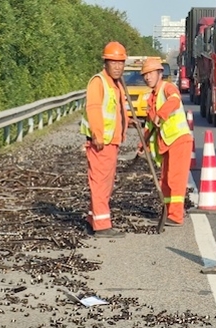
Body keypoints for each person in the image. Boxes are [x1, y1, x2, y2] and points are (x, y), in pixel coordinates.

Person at [79, 41, 131, 238]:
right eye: (114, 62)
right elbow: (93, 109)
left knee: (105, 184)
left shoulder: (115, 84)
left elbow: (118, 111)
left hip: (111, 142)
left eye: (121, 63)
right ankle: (102, 226)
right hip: (101, 143)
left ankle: (93, 220)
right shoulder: (99, 82)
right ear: (106, 63)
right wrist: (98, 136)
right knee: (100, 183)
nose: (118, 66)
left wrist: (123, 131)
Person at [139, 58, 193, 227]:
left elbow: (175, 100)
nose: (147, 78)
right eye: (145, 75)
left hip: (179, 139)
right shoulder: (151, 98)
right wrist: (143, 144)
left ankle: (176, 216)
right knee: (165, 179)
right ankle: (168, 211)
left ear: (159, 73)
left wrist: (160, 114)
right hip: (167, 142)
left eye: (150, 74)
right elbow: (149, 125)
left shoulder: (167, 88)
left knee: (175, 178)